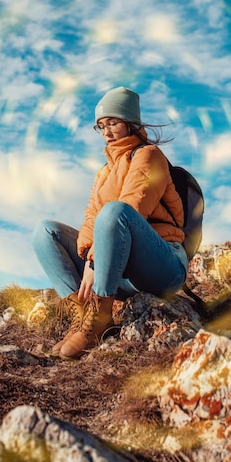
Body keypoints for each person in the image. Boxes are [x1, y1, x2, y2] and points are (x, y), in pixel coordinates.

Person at [31, 86, 188, 360]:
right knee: (45, 231)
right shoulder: (104, 172)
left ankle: (100, 320)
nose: (106, 131)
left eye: (113, 122)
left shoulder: (149, 156)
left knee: (115, 211)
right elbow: (91, 219)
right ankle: (82, 317)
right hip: (120, 273)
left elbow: (132, 207)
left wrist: (93, 264)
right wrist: (91, 256)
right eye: (100, 125)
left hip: (163, 266)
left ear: (131, 122)